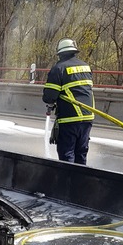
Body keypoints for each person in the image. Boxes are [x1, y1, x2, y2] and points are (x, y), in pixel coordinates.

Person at [42, 37, 94, 165]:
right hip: (88, 117)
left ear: (59, 54)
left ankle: (68, 183)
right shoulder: (86, 67)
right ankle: (80, 182)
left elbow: (49, 97)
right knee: (81, 153)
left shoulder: (58, 69)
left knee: (67, 155)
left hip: (69, 119)